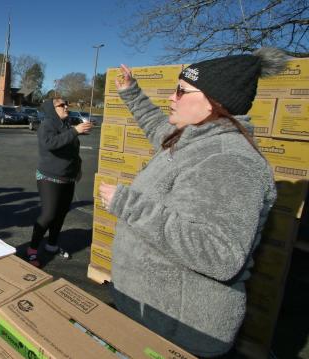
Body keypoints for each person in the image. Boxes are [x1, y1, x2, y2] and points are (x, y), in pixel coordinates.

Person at [98, 49, 287, 358]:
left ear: (214, 102)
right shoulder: (194, 139)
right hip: (150, 316)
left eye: (182, 91)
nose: (172, 98)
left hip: (180, 334)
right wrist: (131, 93)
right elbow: (158, 128)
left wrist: (128, 204)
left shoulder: (230, 160)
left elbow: (219, 254)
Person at [25, 99, 92, 267]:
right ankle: (32, 250)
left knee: (61, 213)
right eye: (62, 105)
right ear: (52, 109)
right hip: (49, 177)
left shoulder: (66, 125)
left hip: (67, 178)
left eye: (67, 104)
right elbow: (50, 144)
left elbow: (73, 151)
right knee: (48, 215)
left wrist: (78, 168)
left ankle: (52, 245)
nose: (66, 107)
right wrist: (75, 131)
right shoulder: (47, 125)